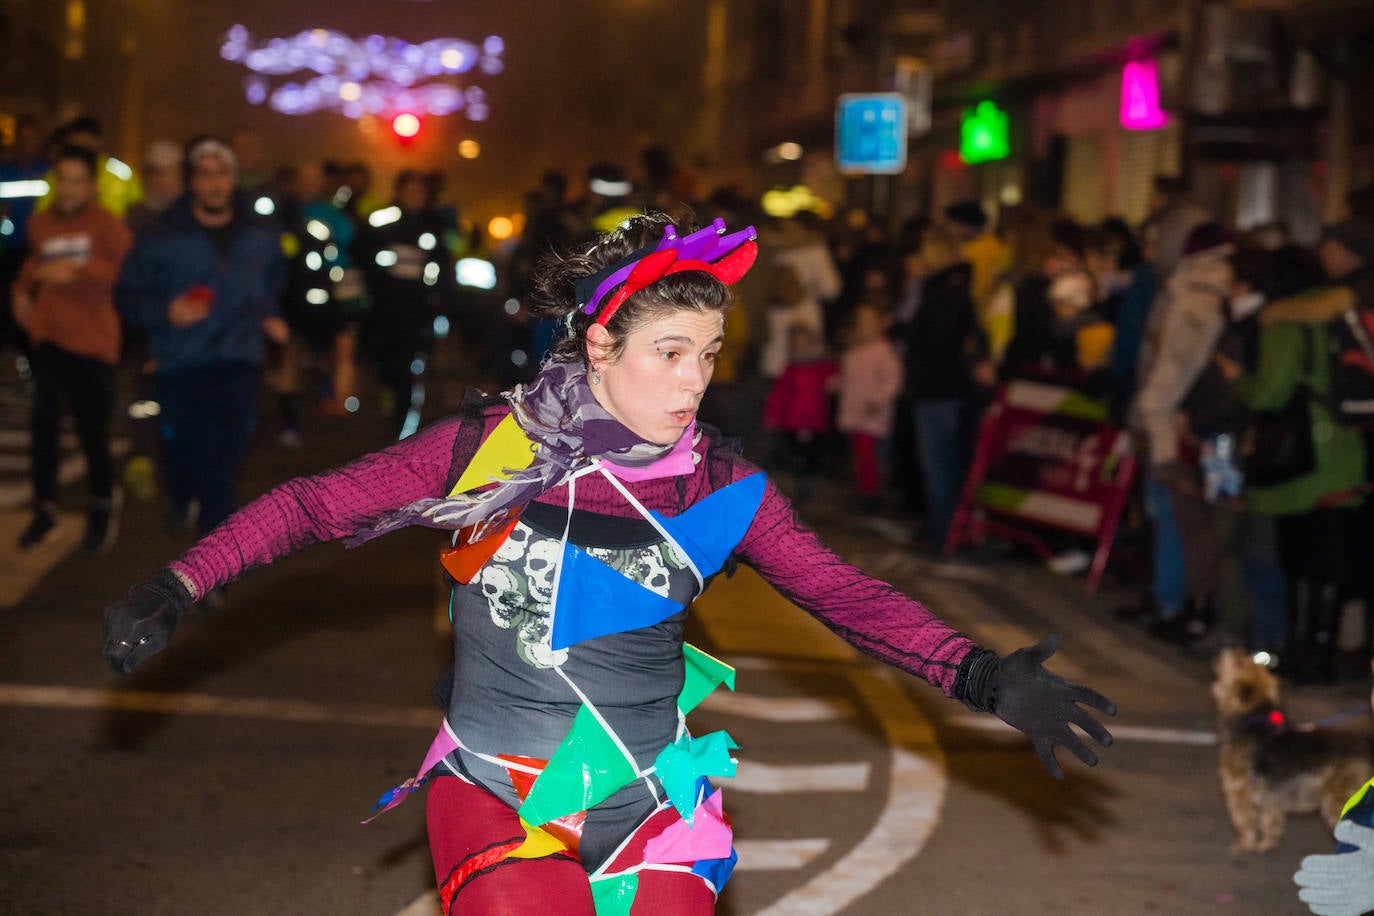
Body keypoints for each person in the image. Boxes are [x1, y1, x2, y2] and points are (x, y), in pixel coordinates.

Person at [101, 213, 1115, 916]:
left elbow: (841, 591)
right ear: (597, 344)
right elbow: (314, 502)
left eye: (711, 353)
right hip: (500, 784)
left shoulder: (718, 485)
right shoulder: (490, 446)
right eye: (669, 352)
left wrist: (979, 673)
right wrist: (181, 581)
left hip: (654, 800)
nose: (694, 380)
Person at [114, 135, 287, 537]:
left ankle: (213, 570)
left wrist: (271, 315)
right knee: (183, 456)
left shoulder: (260, 234)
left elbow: (275, 284)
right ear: (191, 181)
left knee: (222, 467)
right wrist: (165, 311)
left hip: (239, 362)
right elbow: (127, 296)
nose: (214, 183)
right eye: (204, 174)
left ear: (234, 177)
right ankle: (178, 494)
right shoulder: (162, 238)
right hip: (181, 363)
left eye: (222, 172)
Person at [12, 144, 132, 551]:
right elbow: (34, 264)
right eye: (63, 179)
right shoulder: (41, 223)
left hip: (93, 342)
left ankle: (103, 500)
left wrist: (76, 272)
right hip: (50, 338)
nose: (69, 188)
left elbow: (127, 275)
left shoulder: (108, 225)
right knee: (42, 422)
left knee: (91, 429)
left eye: (79, 180)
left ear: (92, 186)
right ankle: (44, 508)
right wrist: (21, 293)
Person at [835, 303, 903, 511]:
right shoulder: (854, 351)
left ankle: (870, 494)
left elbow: (893, 380)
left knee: (868, 457)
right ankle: (864, 490)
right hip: (855, 411)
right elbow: (850, 378)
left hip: (870, 413)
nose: (862, 327)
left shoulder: (883, 351)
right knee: (860, 456)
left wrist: (878, 399)